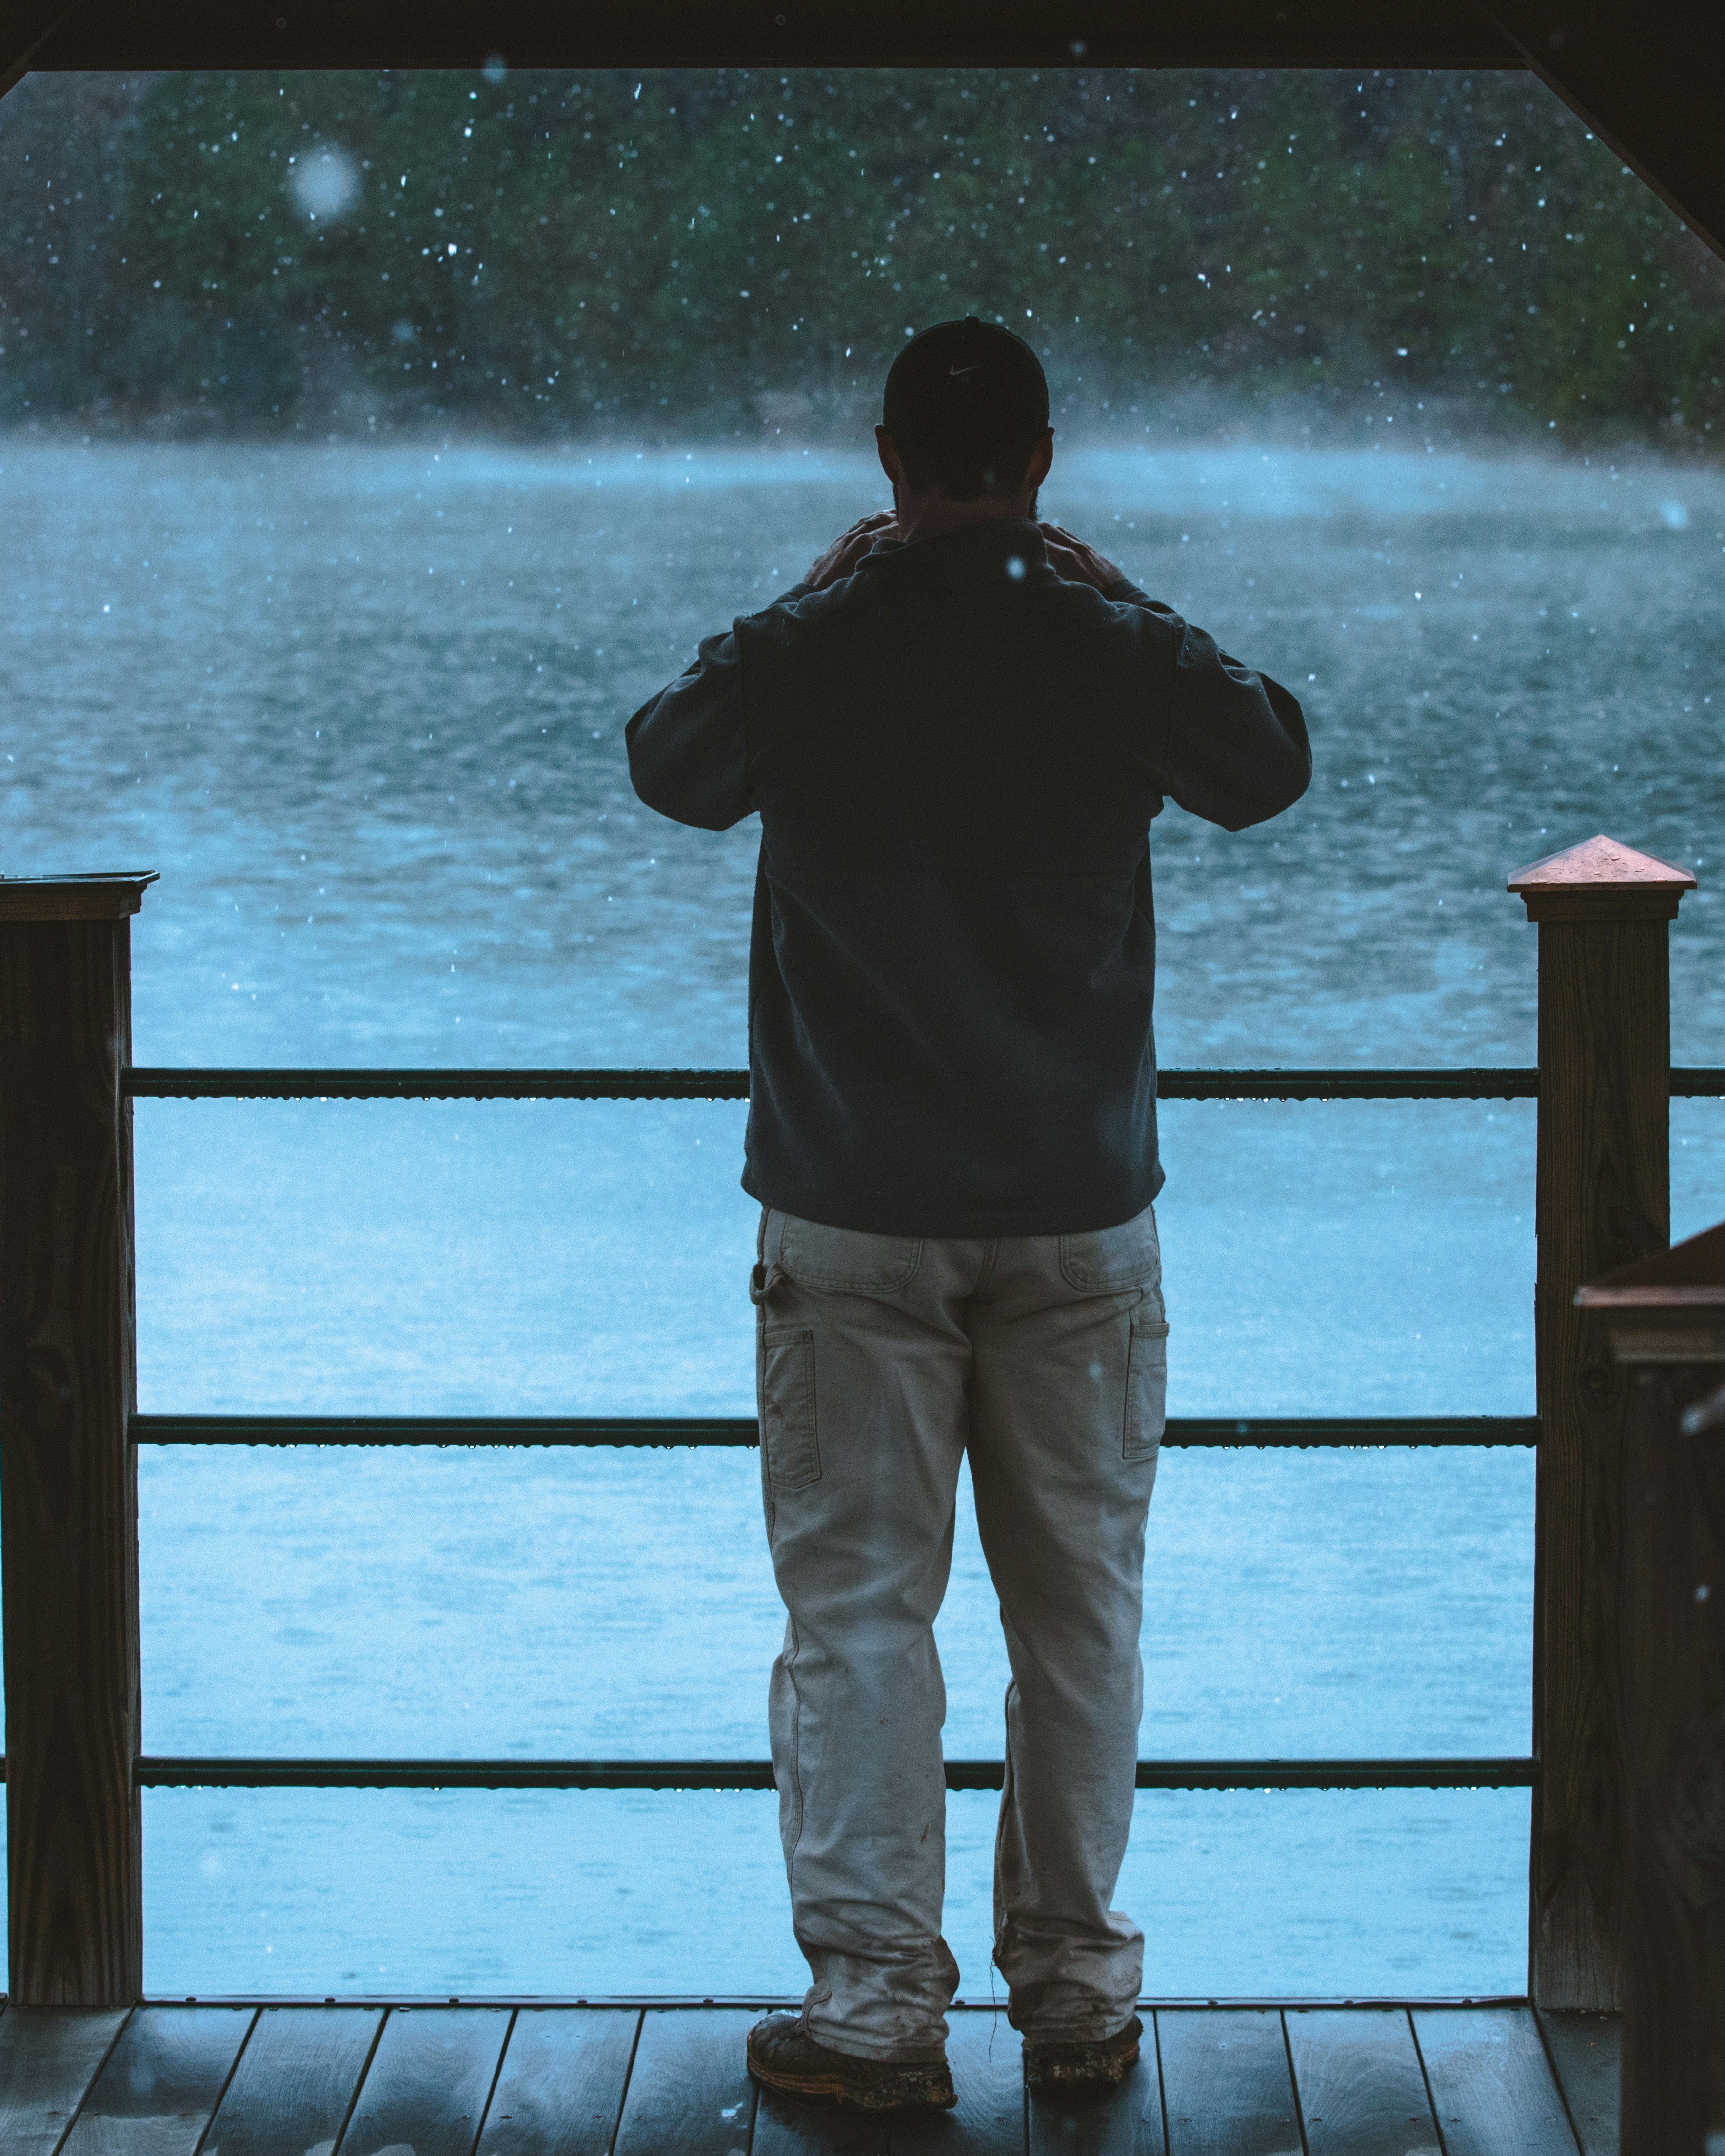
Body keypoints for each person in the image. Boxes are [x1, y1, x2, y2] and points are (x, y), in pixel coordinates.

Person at [624, 318, 1313, 2112]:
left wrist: (820, 586)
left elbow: (669, 759)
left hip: (854, 1209)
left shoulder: (820, 645)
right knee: (1079, 1612)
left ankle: (874, 2011)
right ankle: (1075, 1995)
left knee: (860, 1615)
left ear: (883, 461)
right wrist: (1111, 591)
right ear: (1045, 460)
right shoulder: (1105, 645)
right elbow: (1267, 763)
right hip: (1079, 1207)